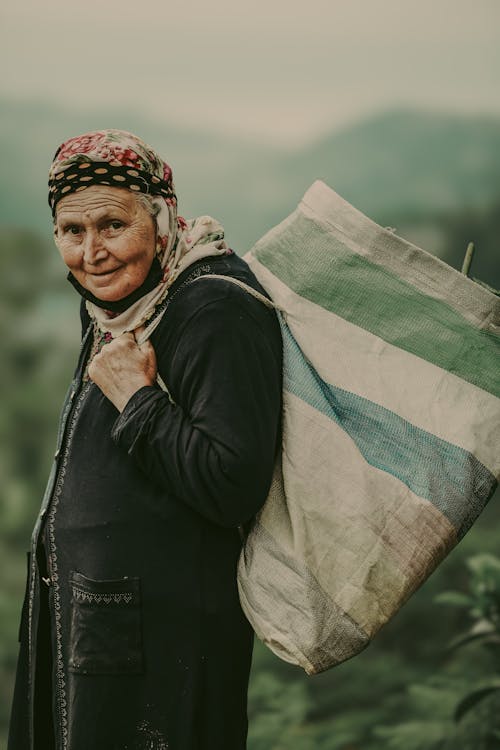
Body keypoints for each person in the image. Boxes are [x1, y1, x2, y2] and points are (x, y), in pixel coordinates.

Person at [8, 129, 283, 750]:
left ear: (162, 221)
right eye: (71, 231)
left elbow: (232, 484)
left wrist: (137, 400)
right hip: (92, 623)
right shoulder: (123, 301)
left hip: (163, 642)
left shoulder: (216, 306)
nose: (91, 252)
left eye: (113, 225)